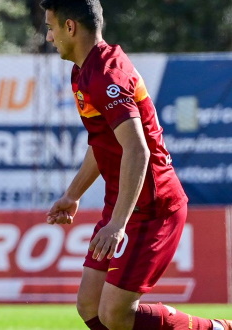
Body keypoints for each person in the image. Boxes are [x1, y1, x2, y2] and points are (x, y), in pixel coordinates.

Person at [41, 1, 232, 330]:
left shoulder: (106, 74)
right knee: (89, 303)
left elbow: (137, 150)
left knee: (116, 313)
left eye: (51, 27)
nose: (48, 37)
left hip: (152, 207)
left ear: (69, 27)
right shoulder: (83, 71)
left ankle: (217, 328)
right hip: (125, 204)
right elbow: (103, 144)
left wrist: (117, 224)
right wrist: (73, 194)